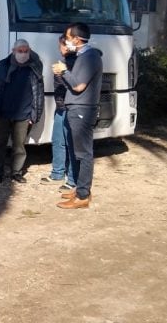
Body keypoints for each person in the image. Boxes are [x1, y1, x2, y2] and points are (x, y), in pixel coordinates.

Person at [52, 22, 103, 209]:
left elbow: (79, 86)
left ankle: (82, 196)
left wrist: (63, 71)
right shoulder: (82, 56)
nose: (65, 40)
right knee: (78, 152)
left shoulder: (90, 57)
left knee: (84, 153)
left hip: (82, 109)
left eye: (67, 37)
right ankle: (80, 189)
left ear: (77, 39)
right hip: (76, 108)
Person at [0, 39, 44, 184]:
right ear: (13, 51)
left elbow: (39, 93)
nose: (23, 54)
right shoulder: (2, 65)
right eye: (20, 51)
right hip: (2, 112)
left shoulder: (34, 68)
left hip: (23, 114)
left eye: (26, 51)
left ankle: (16, 172)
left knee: (19, 146)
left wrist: (35, 114)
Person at [41, 33, 78, 191]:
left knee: (71, 145)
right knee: (58, 141)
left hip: (70, 108)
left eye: (61, 45)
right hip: (60, 107)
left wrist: (61, 74)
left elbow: (74, 86)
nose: (59, 48)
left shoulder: (76, 63)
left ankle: (72, 179)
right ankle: (57, 173)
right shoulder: (62, 63)